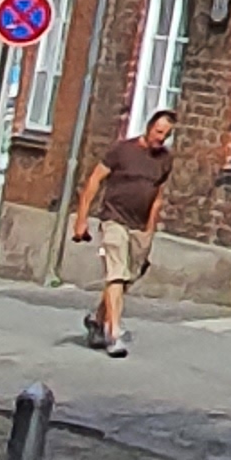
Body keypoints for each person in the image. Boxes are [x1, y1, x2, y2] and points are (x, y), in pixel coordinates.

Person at [70, 106, 172, 354]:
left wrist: (149, 231)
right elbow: (94, 180)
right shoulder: (122, 151)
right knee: (116, 272)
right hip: (113, 219)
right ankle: (113, 333)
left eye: (166, 135)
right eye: (158, 132)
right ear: (149, 127)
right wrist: (81, 219)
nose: (161, 138)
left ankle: (97, 320)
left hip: (139, 226)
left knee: (127, 277)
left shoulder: (164, 160)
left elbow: (158, 197)